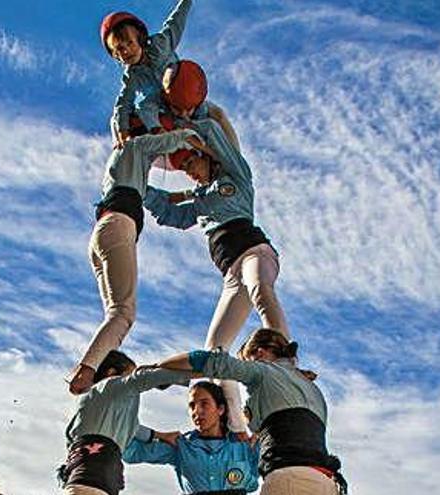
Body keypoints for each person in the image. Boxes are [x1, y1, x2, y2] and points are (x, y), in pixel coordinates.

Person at [143, 115, 289, 432]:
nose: (190, 173)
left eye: (192, 163)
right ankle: (237, 428)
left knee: (261, 289)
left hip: (255, 252)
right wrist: (138, 184)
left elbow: (221, 141)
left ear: (206, 155)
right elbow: (170, 215)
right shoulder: (200, 200)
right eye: (183, 170)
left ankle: (286, 362)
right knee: (215, 349)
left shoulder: (236, 178)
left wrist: (192, 128)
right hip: (231, 274)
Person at [66, 127, 202, 394]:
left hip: (105, 232)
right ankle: (85, 372)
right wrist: (203, 142)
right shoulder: (134, 146)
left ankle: (96, 379)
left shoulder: (130, 174)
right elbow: (178, 137)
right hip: (118, 228)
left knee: (115, 316)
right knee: (123, 314)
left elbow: (163, 201)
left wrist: (194, 194)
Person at [153, 329, 348, 495]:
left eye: (248, 360)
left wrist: (158, 369)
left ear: (260, 354)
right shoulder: (312, 388)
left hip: (290, 481)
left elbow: (205, 360)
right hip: (327, 483)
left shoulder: (262, 371)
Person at [100, 3, 237, 151]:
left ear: (140, 38)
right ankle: (209, 155)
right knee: (132, 113)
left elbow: (176, 20)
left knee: (218, 114)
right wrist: (123, 131)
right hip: (171, 113)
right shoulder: (132, 77)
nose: (126, 51)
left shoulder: (160, 45)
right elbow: (123, 103)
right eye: (119, 49)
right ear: (115, 56)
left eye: (129, 43)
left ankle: (236, 155)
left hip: (188, 98)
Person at [60, 350, 190, 495]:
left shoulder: (103, 416)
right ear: (111, 373)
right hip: (89, 487)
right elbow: (144, 379)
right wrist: (201, 372)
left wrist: (161, 435)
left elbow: (133, 429)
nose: (132, 388)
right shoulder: (105, 389)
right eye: (129, 376)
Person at [123, 381, 260, 494]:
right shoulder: (181, 446)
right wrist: (155, 434)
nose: (196, 411)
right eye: (192, 405)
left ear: (220, 409)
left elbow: (256, 480)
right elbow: (130, 452)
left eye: (204, 404)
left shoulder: (243, 444)